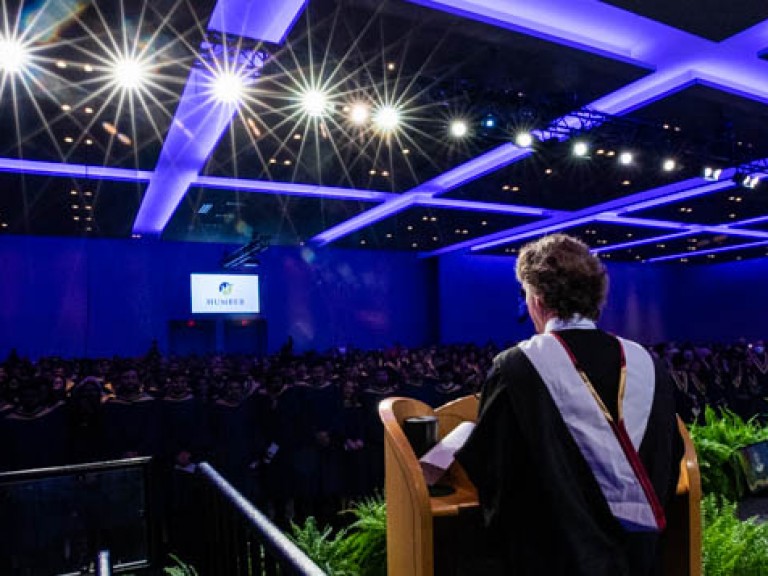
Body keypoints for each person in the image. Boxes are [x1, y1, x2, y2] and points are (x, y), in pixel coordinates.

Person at [455, 234, 683, 576]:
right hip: (638, 558)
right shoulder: (647, 364)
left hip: (554, 559)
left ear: (538, 298)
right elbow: (670, 455)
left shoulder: (517, 368)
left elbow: (500, 474)